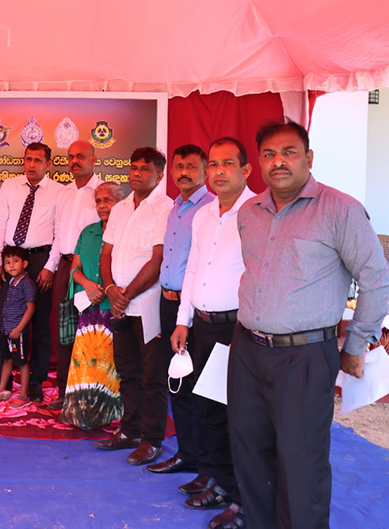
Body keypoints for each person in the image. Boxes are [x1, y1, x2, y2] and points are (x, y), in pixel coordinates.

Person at [231, 120, 389, 529]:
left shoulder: (341, 209)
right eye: (268, 154)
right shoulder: (249, 212)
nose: (278, 162)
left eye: (289, 152)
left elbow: (376, 278)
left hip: (303, 356)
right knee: (250, 453)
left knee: (301, 464)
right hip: (247, 349)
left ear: (308, 158)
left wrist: (356, 346)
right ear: (259, 162)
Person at [171, 137, 255, 529]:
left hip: (238, 329)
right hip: (201, 327)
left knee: (237, 416)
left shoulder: (257, 212)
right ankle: (218, 482)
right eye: (214, 165)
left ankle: (242, 499)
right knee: (207, 410)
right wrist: (183, 320)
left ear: (245, 170)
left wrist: (246, 327)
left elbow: (258, 276)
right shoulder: (203, 215)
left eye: (227, 164)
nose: (219, 172)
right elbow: (192, 269)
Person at [94, 147, 172, 466]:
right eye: (134, 167)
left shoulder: (165, 208)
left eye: (145, 168)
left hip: (148, 304)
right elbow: (106, 254)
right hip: (120, 304)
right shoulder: (122, 207)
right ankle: (129, 431)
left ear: (160, 174)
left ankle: (152, 440)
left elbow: (158, 259)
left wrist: (125, 295)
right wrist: (112, 290)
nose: (137, 173)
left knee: (153, 375)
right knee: (127, 371)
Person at [146, 144, 213, 479]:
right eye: (178, 167)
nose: (183, 172)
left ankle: (204, 460)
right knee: (175, 381)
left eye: (191, 166)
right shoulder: (175, 207)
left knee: (196, 386)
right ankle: (188, 456)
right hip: (167, 302)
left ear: (205, 171)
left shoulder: (211, 208)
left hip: (193, 311)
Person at [0, 142, 64, 402]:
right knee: (6, 323)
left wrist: (49, 266)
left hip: (40, 260)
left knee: (40, 324)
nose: (31, 165)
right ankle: (5, 380)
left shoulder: (59, 192)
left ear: (48, 164)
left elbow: (61, 232)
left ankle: (35, 381)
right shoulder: (10, 186)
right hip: (11, 260)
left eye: (37, 160)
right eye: (28, 159)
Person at [60, 182, 126, 430]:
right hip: (89, 310)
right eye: (98, 201)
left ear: (120, 203)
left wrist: (109, 290)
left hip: (117, 308)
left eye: (107, 200)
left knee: (113, 365)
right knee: (87, 363)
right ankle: (84, 414)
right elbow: (74, 270)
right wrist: (88, 285)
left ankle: (114, 416)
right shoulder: (87, 232)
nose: (102, 205)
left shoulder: (126, 232)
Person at [48, 140, 102, 411]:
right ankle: (64, 392)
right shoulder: (63, 193)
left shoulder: (103, 192)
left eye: (81, 156)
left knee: (91, 332)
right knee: (63, 333)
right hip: (65, 269)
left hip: (91, 273)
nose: (74, 161)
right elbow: (58, 236)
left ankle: (88, 395)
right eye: (70, 157)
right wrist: (50, 266)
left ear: (94, 158)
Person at [0, 246, 36, 409]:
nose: (11, 265)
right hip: (6, 330)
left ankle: (24, 395)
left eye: (15, 261)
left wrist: (18, 329)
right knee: (7, 359)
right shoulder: (10, 281)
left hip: (18, 332)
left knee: (21, 362)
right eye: (7, 262)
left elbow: (31, 308)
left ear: (24, 263)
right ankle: (2, 389)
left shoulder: (27, 284)